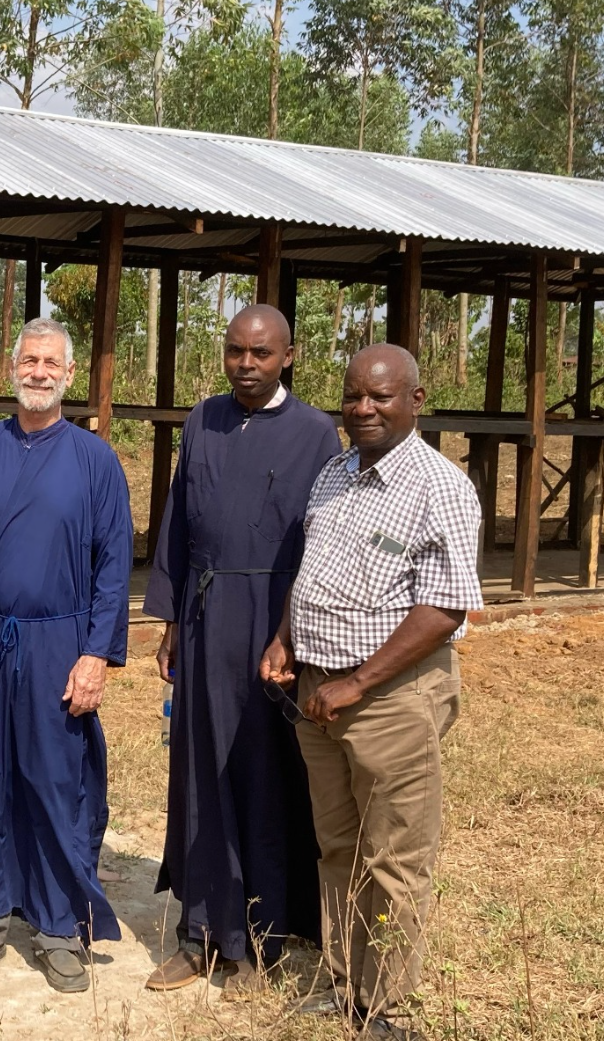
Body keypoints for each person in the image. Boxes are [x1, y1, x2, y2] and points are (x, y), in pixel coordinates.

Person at [260, 344, 481, 1035]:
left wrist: (357, 683)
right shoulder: (334, 474)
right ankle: (342, 980)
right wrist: (284, 638)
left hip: (388, 700)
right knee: (339, 848)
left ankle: (387, 1007)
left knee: (394, 860)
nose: (362, 408)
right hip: (319, 696)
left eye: (380, 397)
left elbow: (445, 608)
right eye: (353, 396)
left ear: (416, 400)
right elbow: (311, 573)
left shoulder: (439, 486)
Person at [0, 319, 133, 994]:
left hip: (59, 641)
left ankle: (55, 924)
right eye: (29, 359)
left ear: (69, 374)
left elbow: (114, 565)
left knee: (54, 781)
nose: (39, 371)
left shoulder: (95, 460)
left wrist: (96, 655)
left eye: (51, 363)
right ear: (9, 367)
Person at [143, 304, 339, 991]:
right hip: (202, 621)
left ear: (289, 355)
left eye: (260, 353)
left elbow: (322, 544)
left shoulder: (317, 434)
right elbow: (176, 522)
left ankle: (262, 939)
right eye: (235, 352)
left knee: (263, 779)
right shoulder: (204, 419)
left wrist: (294, 634)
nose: (246, 366)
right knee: (199, 776)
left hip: (271, 628)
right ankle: (201, 931)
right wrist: (168, 619)